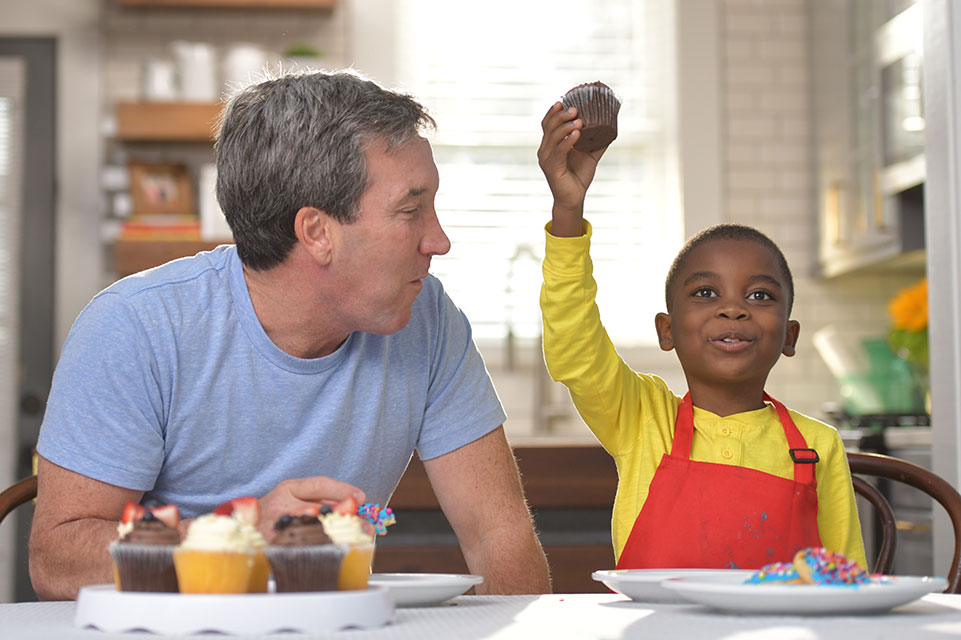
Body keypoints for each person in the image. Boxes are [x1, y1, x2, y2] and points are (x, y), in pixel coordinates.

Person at [29, 69, 551, 600]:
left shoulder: (427, 318)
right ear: (317, 232)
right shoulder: (137, 327)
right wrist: (239, 539)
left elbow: (496, 536)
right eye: (410, 211)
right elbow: (58, 560)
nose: (438, 241)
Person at [536, 101, 867, 570]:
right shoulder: (641, 419)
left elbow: (844, 582)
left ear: (789, 336)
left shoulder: (820, 447)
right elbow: (574, 344)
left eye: (760, 296)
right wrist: (568, 212)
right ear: (666, 331)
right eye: (706, 292)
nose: (733, 308)